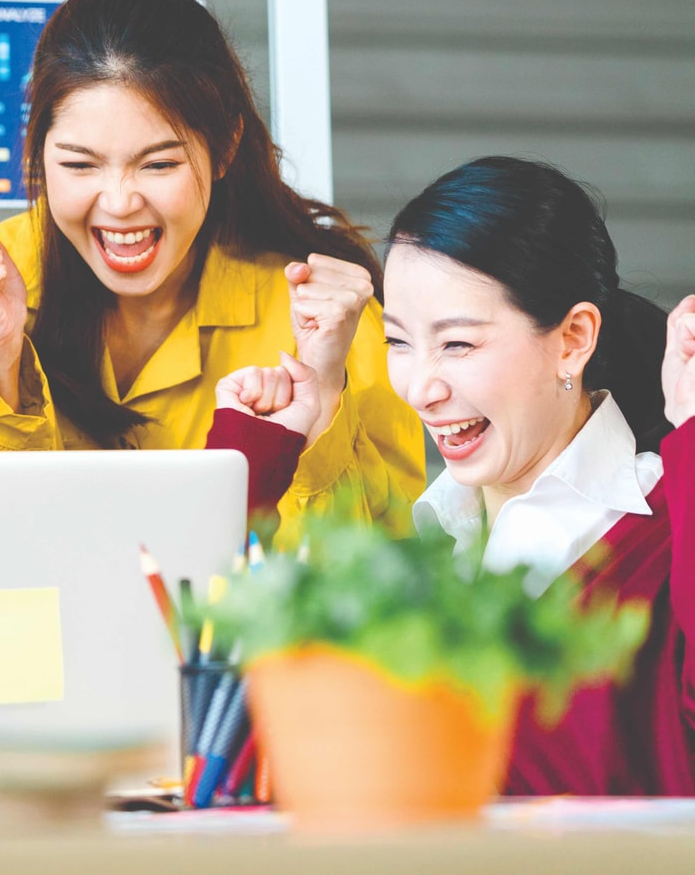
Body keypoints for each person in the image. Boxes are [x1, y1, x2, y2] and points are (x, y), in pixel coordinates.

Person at [211, 156, 690, 794]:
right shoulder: (418, 561)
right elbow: (217, 722)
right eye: (401, 342)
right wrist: (265, 449)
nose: (421, 388)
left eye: (458, 344)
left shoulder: (665, 541)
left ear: (574, 338)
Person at [0, 0, 423, 540]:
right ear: (39, 151)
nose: (118, 204)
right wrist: (1, 356)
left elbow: (372, 582)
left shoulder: (325, 325)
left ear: (225, 149)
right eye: (80, 165)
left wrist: (322, 395)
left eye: (159, 165)